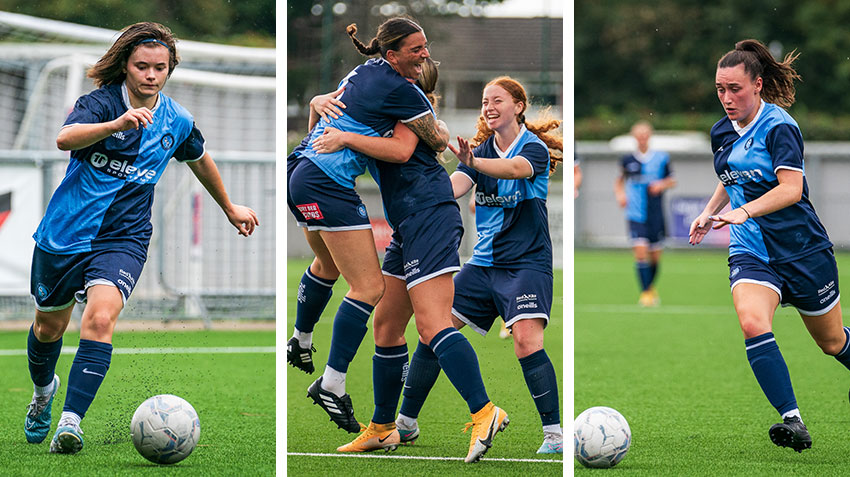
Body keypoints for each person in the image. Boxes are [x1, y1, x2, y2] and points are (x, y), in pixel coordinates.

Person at [24, 22, 258, 455]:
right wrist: (116, 124)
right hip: (65, 235)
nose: (151, 75)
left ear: (169, 70)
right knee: (47, 329)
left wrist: (230, 207)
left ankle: (70, 422)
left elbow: (199, 158)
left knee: (99, 319)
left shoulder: (177, 119)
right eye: (142, 66)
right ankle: (43, 393)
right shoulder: (98, 104)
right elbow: (64, 138)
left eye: (160, 68)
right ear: (126, 67)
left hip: (124, 239)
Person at [311, 56, 511, 464]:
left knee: (432, 325)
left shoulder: (408, 108)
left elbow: (403, 151)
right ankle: (383, 428)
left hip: (430, 218)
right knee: (385, 325)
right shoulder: (386, 108)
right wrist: (318, 102)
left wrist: (346, 138)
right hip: (409, 223)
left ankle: (485, 412)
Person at [285, 17, 450, 435]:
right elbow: (423, 145)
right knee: (370, 288)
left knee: (328, 266)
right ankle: (332, 383)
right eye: (417, 49)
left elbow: (323, 110)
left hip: (300, 169)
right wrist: (346, 140)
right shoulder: (403, 92)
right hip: (325, 183)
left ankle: (301, 340)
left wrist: (316, 109)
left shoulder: (363, 70)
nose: (425, 54)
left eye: (425, 47)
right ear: (392, 54)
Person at [689, 39, 850, 453]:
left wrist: (746, 212)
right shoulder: (721, 131)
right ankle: (793, 420)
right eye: (720, 89)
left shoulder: (780, 127)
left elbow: (791, 189)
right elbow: (730, 178)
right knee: (752, 322)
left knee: (832, 343)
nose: (726, 98)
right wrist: (710, 213)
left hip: (801, 249)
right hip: (752, 250)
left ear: (758, 85)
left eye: (735, 89)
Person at [393, 76, 564, 455]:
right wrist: (416, 181)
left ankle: (554, 434)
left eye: (497, 100)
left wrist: (474, 162)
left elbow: (516, 169)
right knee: (431, 331)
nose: (488, 106)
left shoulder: (531, 148)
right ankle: (405, 424)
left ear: (518, 106)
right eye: (485, 101)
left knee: (525, 341)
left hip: (526, 264)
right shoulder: (480, 150)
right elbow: (454, 187)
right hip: (482, 264)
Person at [613, 121, 675, 306]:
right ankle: (646, 292)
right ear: (634, 137)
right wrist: (620, 195)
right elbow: (619, 181)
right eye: (638, 135)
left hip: (655, 212)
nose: (642, 138)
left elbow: (672, 180)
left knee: (655, 255)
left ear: (649, 136)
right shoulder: (627, 159)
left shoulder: (661, 158)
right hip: (635, 213)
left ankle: (650, 286)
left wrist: (661, 184)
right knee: (640, 252)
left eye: (645, 135)